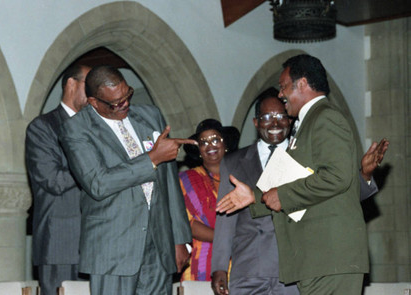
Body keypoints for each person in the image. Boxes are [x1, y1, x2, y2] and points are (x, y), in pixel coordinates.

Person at [216, 54, 377, 294]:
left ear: (301, 84)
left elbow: (337, 177)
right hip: (315, 260)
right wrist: (255, 197)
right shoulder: (308, 123)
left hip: (330, 258)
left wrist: (282, 195)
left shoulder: (325, 118)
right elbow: (300, 178)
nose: (280, 95)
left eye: (283, 87)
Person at [59, 65, 195, 295]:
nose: (124, 105)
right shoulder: (76, 129)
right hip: (113, 248)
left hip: (159, 243)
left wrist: (180, 238)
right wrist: (151, 159)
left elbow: (169, 181)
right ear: (93, 102)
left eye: (127, 96)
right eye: (115, 103)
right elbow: (98, 183)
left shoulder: (150, 116)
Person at [25, 64, 91, 295]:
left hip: (97, 242)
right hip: (60, 241)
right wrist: (92, 161)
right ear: (72, 84)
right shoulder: (43, 127)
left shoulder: (96, 128)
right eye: (89, 84)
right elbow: (53, 180)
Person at [179, 119, 239, 281]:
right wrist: (229, 239)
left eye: (215, 139)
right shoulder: (186, 180)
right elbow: (187, 224)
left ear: (225, 144)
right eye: (203, 142)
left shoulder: (241, 177)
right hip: (201, 265)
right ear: (198, 149)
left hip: (242, 263)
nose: (210, 145)